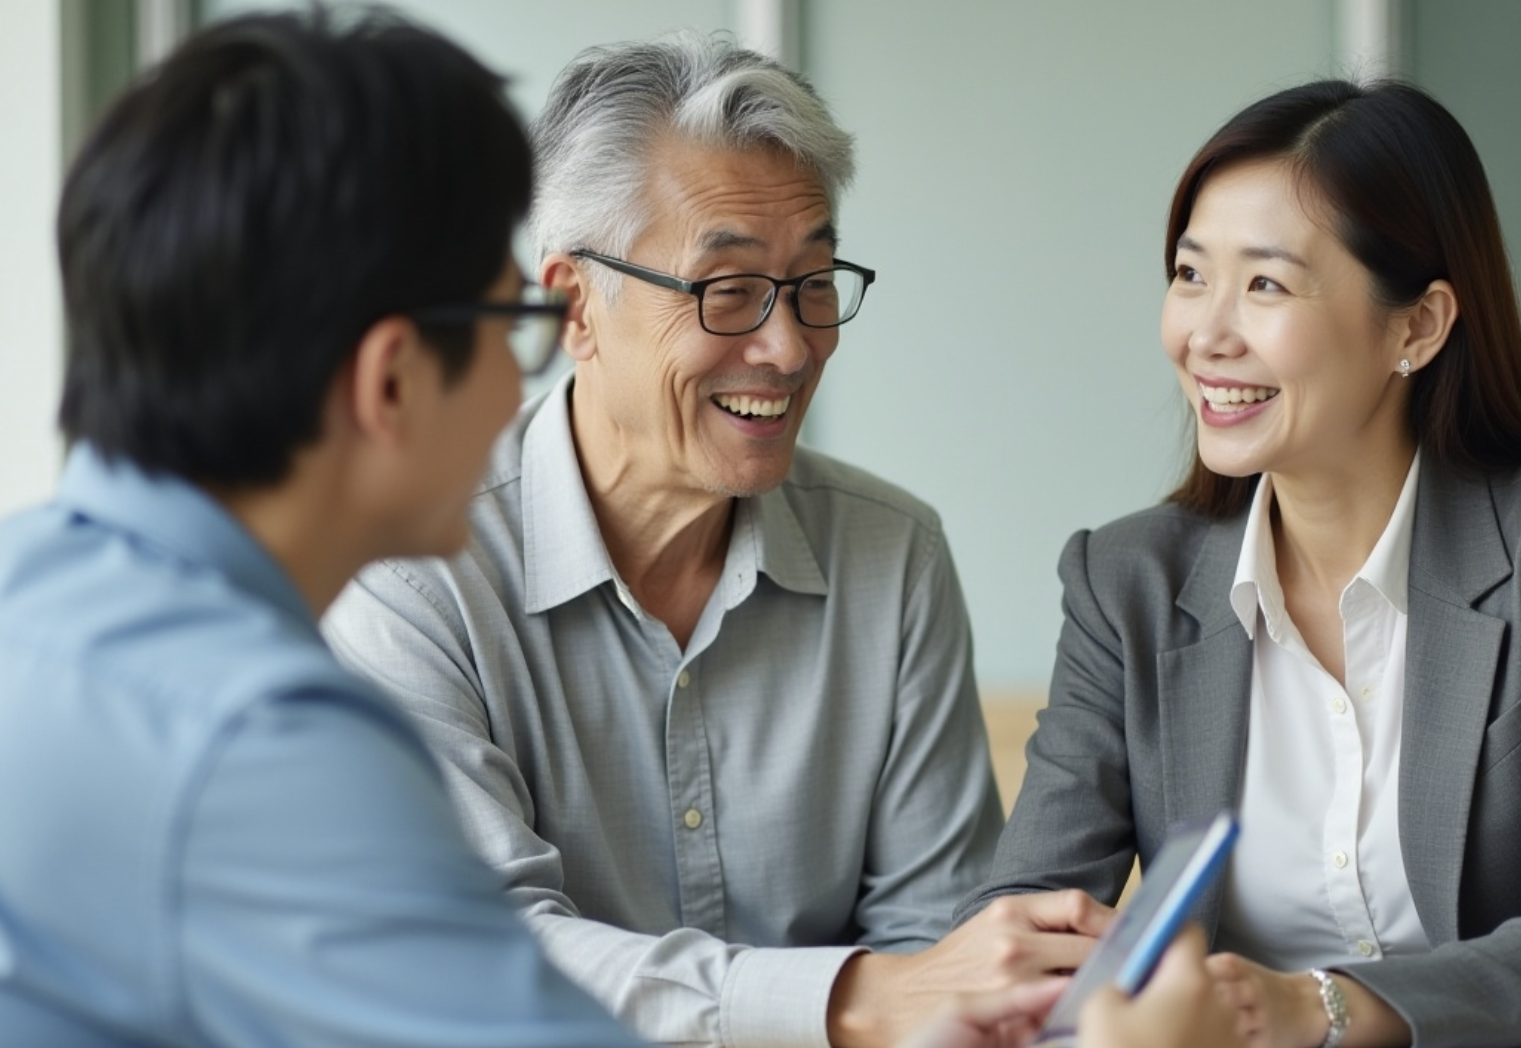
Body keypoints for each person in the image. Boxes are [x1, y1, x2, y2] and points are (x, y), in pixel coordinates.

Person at [321, 31, 1110, 1048]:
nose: (785, 348)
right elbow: (478, 956)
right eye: (725, 291)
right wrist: (844, 1001)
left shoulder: (892, 556)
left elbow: (937, 949)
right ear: (574, 305)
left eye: (813, 283)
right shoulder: (410, 568)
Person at [959, 78, 1521, 1048]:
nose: (1204, 334)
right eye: (1190, 275)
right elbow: (1028, 919)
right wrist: (1053, 973)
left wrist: (1313, 1006)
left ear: (1416, 326)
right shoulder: (1125, 583)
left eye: (1265, 283)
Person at [0, 9, 645, 1046]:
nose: (514, 397)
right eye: (511, 328)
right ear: (390, 379)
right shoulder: (256, 744)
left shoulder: (28, 597)